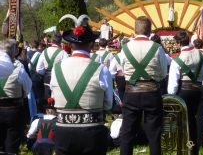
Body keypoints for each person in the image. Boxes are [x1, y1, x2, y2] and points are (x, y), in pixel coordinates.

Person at [50, 23, 113, 155]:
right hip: (92, 132)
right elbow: (108, 104)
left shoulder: (56, 69)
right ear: (91, 44)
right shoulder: (101, 69)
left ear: (71, 45)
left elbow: (54, 97)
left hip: (63, 131)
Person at [118, 16, 168, 155]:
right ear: (150, 30)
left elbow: (122, 69)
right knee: (154, 135)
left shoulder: (124, 48)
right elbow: (164, 73)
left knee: (127, 134)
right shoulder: (157, 48)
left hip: (131, 93)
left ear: (135, 29)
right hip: (152, 93)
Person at [168, 31, 203, 155]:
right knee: (195, 121)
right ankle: (194, 149)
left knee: (183, 124)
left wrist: (172, 98)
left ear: (179, 43)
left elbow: (173, 85)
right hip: (199, 91)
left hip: (184, 92)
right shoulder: (201, 55)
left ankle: (184, 149)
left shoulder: (177, 60)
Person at [0, 38, 32, 154]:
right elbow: (27, 88)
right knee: (12, 144)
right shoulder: (19, 67)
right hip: (13, 110)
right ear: (14, 52)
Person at [36, 34, 68, 103]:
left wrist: (46, 72)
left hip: (46, 80)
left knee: (47, 102)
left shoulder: (44, 52)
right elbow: (66, 69)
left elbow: (38, 69)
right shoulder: (63, 53)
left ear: (51, 41)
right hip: (59, 79)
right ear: (60, 42)